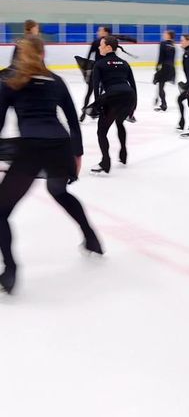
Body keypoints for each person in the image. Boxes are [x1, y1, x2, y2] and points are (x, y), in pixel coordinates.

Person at [0, 37, 103, 294]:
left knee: (0, 212)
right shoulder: (55, 80)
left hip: (32, 147)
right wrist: (76, 155)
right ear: (44, 53)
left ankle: (10, 270)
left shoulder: (10, 80)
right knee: (59, 192)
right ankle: (91, 238)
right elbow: (72, 120)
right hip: (60, 146)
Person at [90, 36, 137, 175]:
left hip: (113, 98)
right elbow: (133, 86)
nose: (99, 47)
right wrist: (133, 107)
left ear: (108, 47)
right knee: (120, 123)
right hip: (128, 97)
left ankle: (105, 163)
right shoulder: (125, 63)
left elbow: (96, 87)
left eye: (101, 45)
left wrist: (98, 105)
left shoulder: (99, 64)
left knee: (101, 131)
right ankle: (123, 154)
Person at [80, 26, 137, 122]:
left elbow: (121, 37)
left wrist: (131, 39)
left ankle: (122, 112)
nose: (98, 32)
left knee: (109, 90)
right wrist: (87, 71)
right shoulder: (97, 42)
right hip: (98, 69)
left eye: (100, 30)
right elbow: (89, 55)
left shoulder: (110, 40)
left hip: (108, 70)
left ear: (105, 32)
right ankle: (85, 112)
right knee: (90, 91)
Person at [153, 30, 176, 111]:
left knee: (160, 86)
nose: (164, 34)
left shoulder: (163, 43)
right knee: (161, 86)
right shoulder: (173, 45)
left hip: (164, 67)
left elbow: (161, 56)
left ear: (169, 35)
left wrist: (157, 66)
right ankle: (161, 101)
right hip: (171, 67)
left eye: (165, 34)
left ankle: (163, 104)